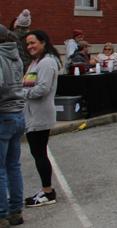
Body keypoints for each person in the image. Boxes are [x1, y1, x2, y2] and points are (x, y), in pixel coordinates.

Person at [22, 30, 60, 207]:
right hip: (31, 113)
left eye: (33, 43)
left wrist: (20, 93)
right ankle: (46, 190)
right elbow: (29, 84)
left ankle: (47, 192)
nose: (29, 46)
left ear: (43, 42)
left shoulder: (47, 62)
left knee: (40, 154)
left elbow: (43, 89)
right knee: (38, 153)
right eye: (27, 44)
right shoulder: (35, 62)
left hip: (40, 115)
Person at [0, 28, 25, 225]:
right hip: (17, 113)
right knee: (13, 165)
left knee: (1, 168)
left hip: (3, 114)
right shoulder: (15, 55)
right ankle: (15, 209)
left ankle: (1, 213)